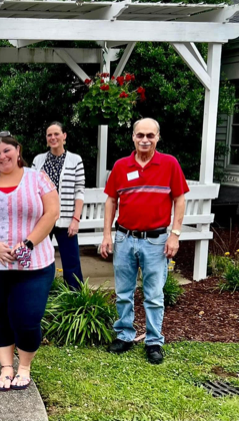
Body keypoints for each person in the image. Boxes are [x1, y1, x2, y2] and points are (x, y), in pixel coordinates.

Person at [0, 132, 59, 391]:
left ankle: (24, 367)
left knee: (27, 318)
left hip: (34, 266)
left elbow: (52, 212)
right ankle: (6, 367)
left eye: (7, 150)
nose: (2, 156)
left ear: (18, 150)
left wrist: (28, 243)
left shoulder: (38, 179)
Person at [100, 118, 188, 364]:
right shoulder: (121, 166)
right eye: (140, 135)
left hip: (156, 241)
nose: (145, 140)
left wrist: (175, 234)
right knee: (124, 292)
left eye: (150, 135)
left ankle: (153, 341)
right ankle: (125, 335)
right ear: (133, 137)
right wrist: (107, 234)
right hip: (125, 238)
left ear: (158, 137)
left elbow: (179, 199)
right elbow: (111, 201)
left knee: (153, 294)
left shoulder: (169, 164)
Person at [32, 121, 85, 289]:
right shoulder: (38, 160)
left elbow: (79, 191)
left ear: (64, 136)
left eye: (56, 134)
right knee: (38, 259)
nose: (53, 137)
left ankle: (76, 298)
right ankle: (40, 292)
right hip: (42, 220)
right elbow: (32, 189)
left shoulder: (75, 160)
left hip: (66, 220)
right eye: (49, 135)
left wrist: (75, 219)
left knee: (71, 262)